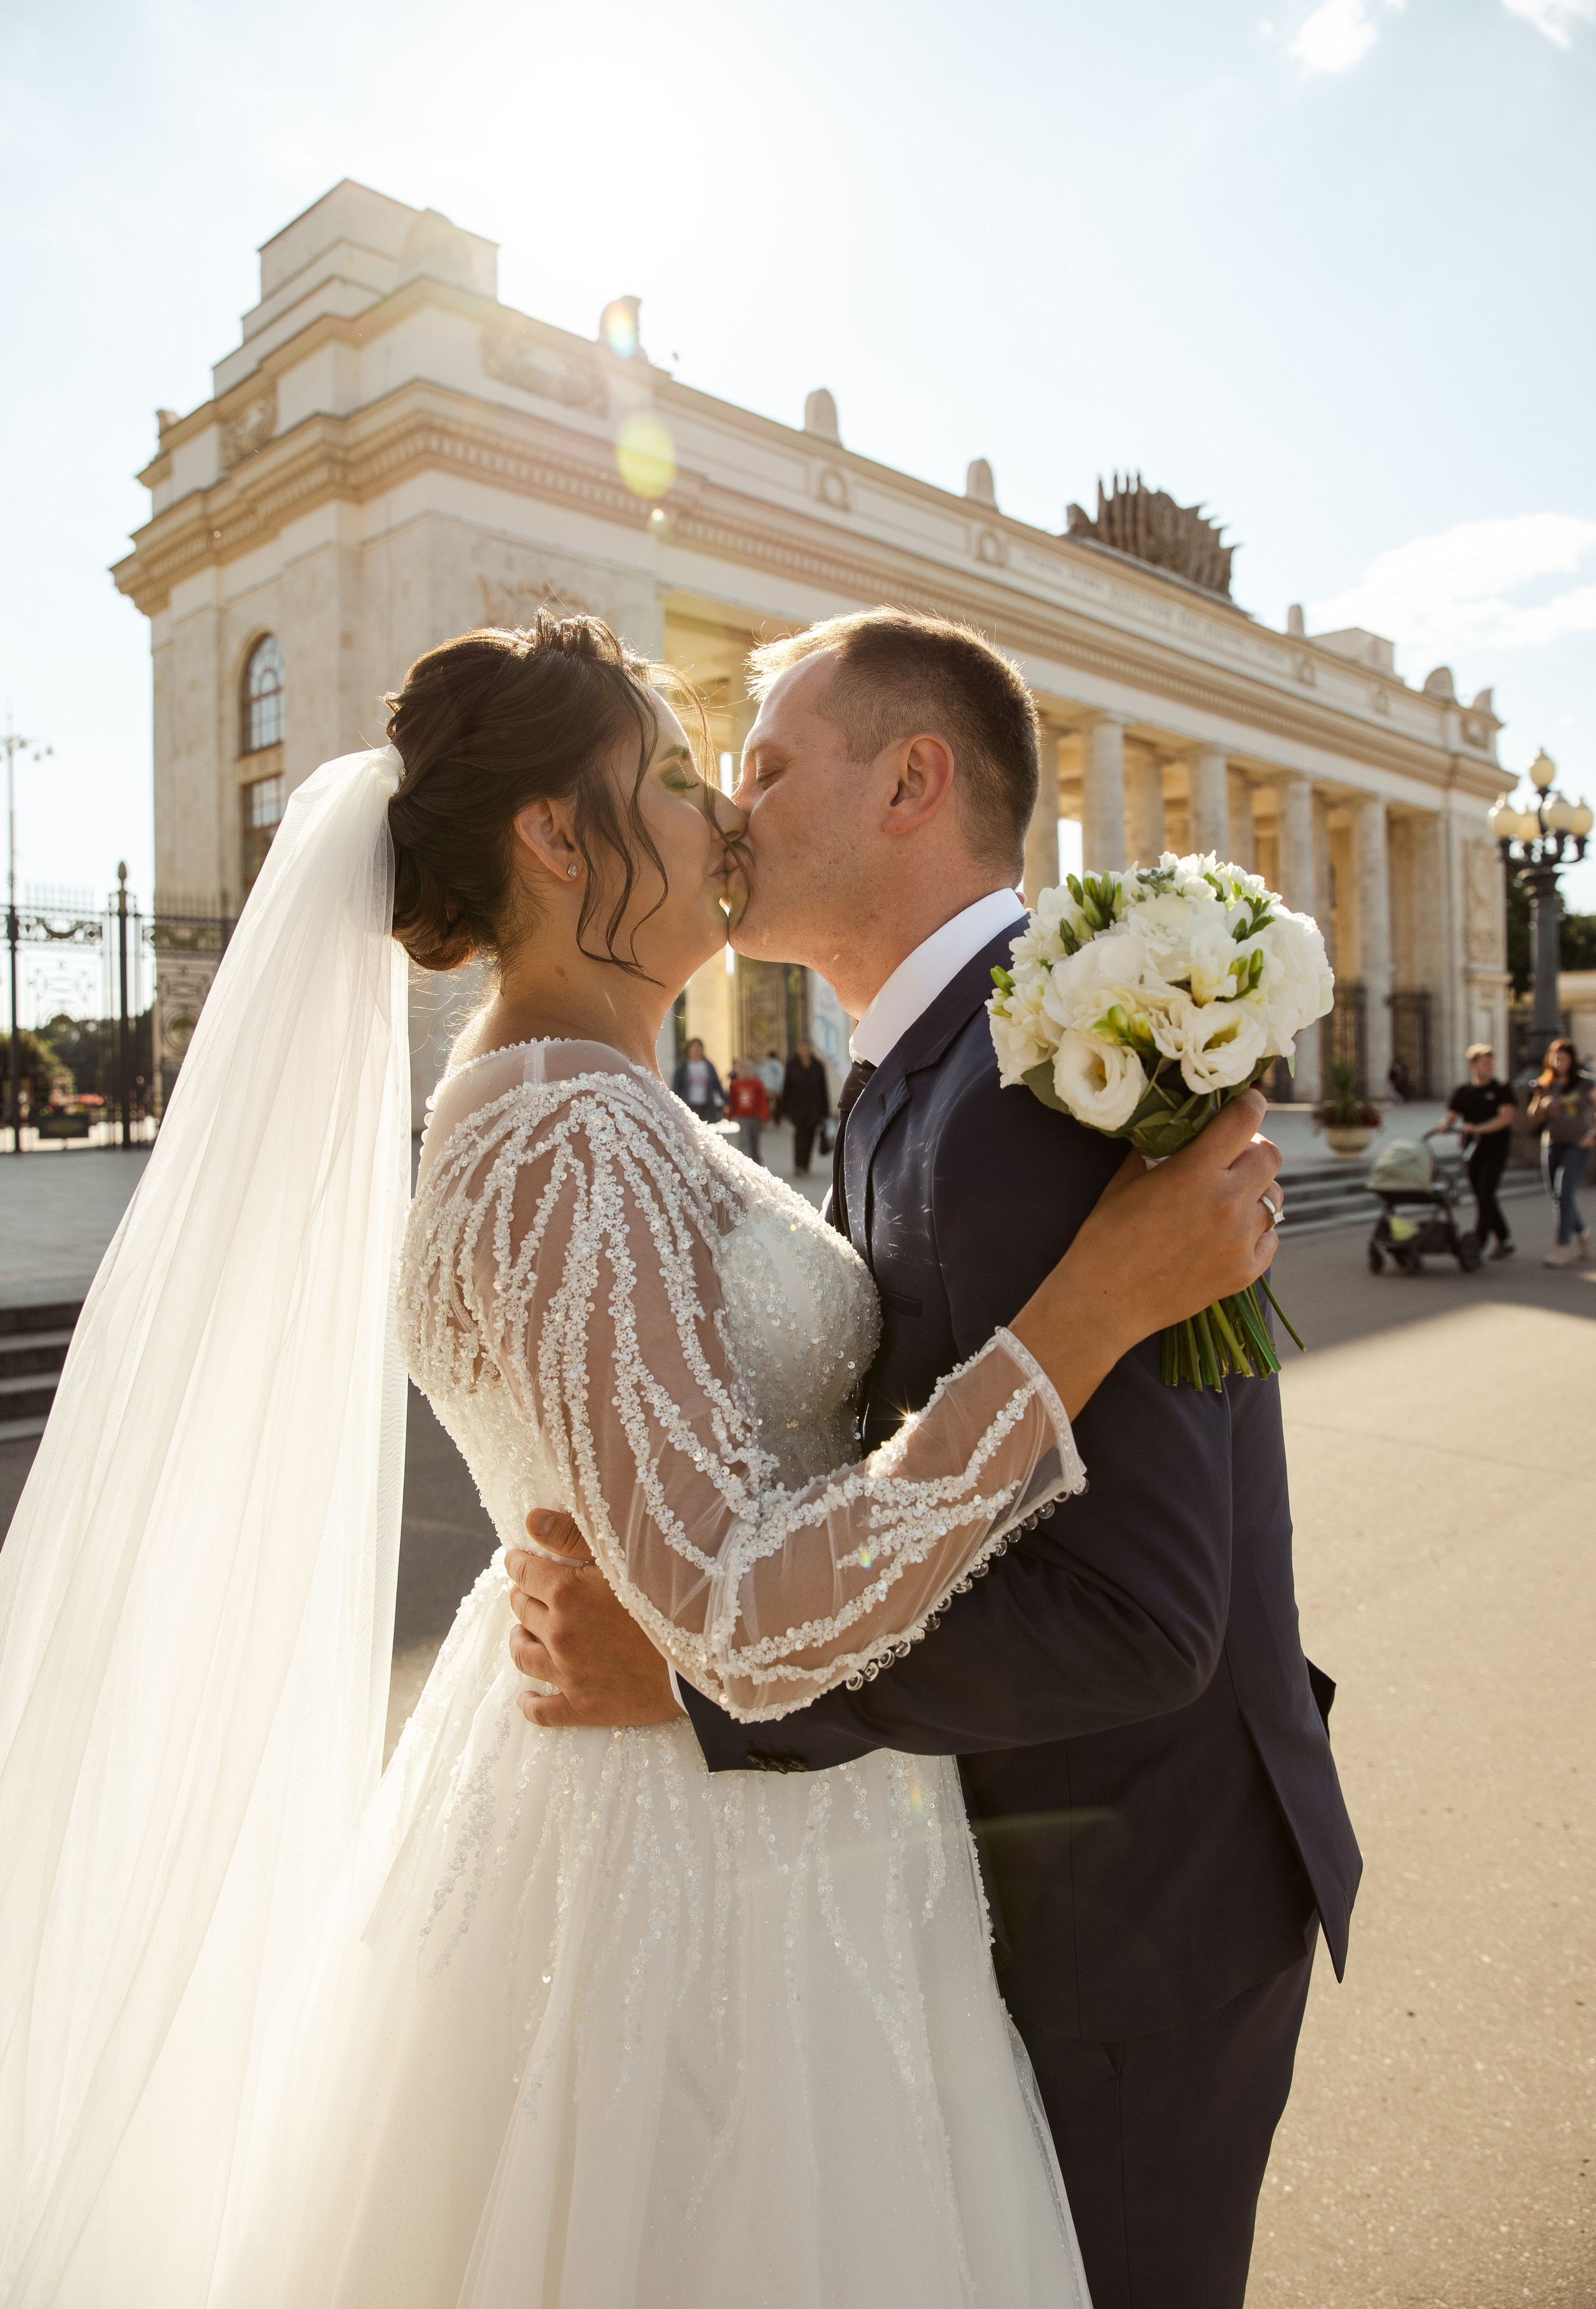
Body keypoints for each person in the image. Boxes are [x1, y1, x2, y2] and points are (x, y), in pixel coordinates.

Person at [0, 613, 1288, 2309]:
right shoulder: (567, 1139)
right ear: (554, 834)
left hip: (754, 1834)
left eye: (734, 772)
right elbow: (739, 1615)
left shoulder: (593, 1102)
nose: (721, 822)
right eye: (681, 780)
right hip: (697, 1886)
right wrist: (1089, 1313)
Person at [507, 607, 1360, 2309]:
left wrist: (707, 1681)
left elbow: (1135, 1614)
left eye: (760, 763)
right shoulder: (926, 1065)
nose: (728, 811)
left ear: (912, 779)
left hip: (1133, 1912)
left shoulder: (1035, 1085)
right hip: (1038, 1872)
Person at [1432, 1041, 1517, 1260]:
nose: (1489, 1067)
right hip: (1473, 1150)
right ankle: (1505, 1239)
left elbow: (1505, 1118)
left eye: (1491, 1063)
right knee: (1482, 1195)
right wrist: (1445, 1126)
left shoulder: (1501, 1090)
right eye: (1485, 1063)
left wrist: (1479, 1128)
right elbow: (1451, 1115)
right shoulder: (1463, 1091)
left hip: (1496, 1149)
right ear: (1473, 1066)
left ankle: (1478, 1243)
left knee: (1486, 1192)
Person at [1526, 1035, 1595, 1267]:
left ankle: (1561, 1248)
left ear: (1572, 1060)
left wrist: (1593, 1134)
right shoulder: (1547, 1083)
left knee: (1564, 1192)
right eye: (1555, 1058)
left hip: (1578, 1144)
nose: (1559, 1062)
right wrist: (1539, 1098)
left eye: (1563, 1058)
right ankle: (1583, 1232)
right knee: (1557, 1196)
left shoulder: (1585, 1083)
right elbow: (1534, 1116)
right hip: (1553, 1143)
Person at [782, 1033, 832, 1174]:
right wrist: (784, 1109)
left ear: (811, 1048)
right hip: (797, 1108)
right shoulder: (792, 1065)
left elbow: (824, 1089)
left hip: (814, 1108)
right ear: (798, 1048)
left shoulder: (818, 1066)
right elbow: (787, 1087)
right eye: (802, 1047)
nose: (804, 1050)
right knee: (799, 1136)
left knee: (810, 1137)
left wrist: (825, 1112)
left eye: (807, 1047)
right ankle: (798, 1165)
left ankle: (805, 1165)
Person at [670, 1030, 724, 1120]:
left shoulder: (708, 1066)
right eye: (694, 1047)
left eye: (698, 1047)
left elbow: (717, 1084)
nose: (696, 1050)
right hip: (689, 1104)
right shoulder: (683, 1067)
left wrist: (724, 1101)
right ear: (689, 1049)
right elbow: (677, 1086)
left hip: (706, 1105)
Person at [726, 1054, 768, 1160]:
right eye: (743, 1069)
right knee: (744, 1140)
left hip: (755, 1116)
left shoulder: (757, 1083)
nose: (745, 1071)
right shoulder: (736, 1084)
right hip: (742, 1116)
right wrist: (731, 1114)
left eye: (748, 1069)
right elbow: (733, 1100)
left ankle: (756, 1157)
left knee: (755, 1139)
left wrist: (764, 1115)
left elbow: (762, 1100)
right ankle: (746, 1159)